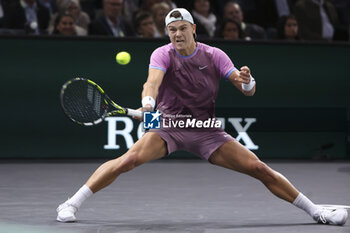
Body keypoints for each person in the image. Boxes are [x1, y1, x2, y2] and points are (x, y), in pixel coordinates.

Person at [56, 8, 348, 226]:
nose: (177, 34)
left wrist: (247, 80)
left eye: (182, 28)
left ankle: (317, 211)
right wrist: (147, 103)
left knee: (258, 168)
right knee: (128, 160)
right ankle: (70, 203)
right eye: (172, 30)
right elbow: (152, 83)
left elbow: (247, 89)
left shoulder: (214, 55)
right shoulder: (162, 54)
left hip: (205, 128)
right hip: (169, 124)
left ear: (194, 28)